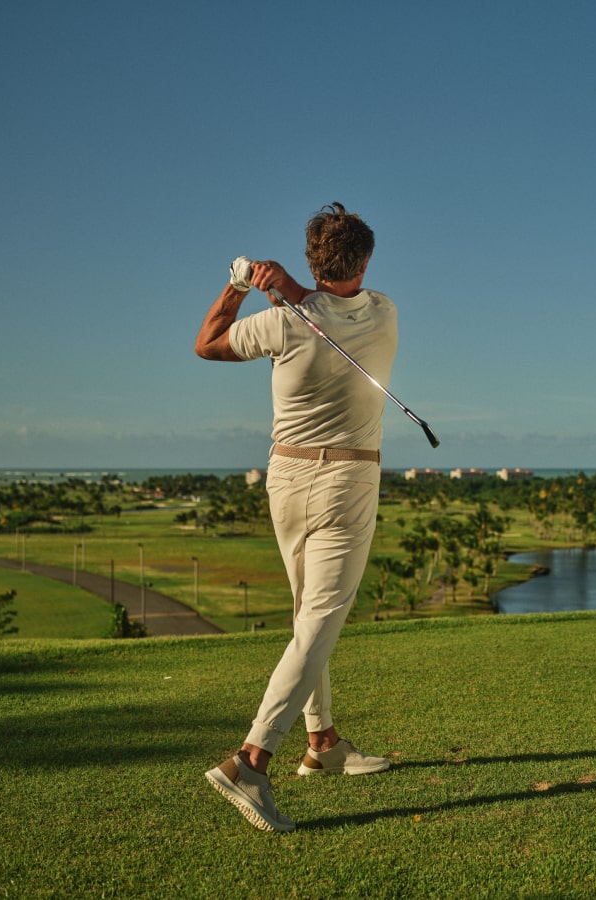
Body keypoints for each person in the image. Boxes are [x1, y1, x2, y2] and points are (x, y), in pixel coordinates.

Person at [194, 203, 397, 832]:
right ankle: (250, 761)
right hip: (346, 482)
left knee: (308, 614)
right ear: (363, 261)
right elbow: (329, 305)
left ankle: (324, 744)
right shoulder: (385, 312)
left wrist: (238, 285)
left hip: (285, 478)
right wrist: (291, 290)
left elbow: (207, 344)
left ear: (312, 260)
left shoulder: (279, 324)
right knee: (319, 622)